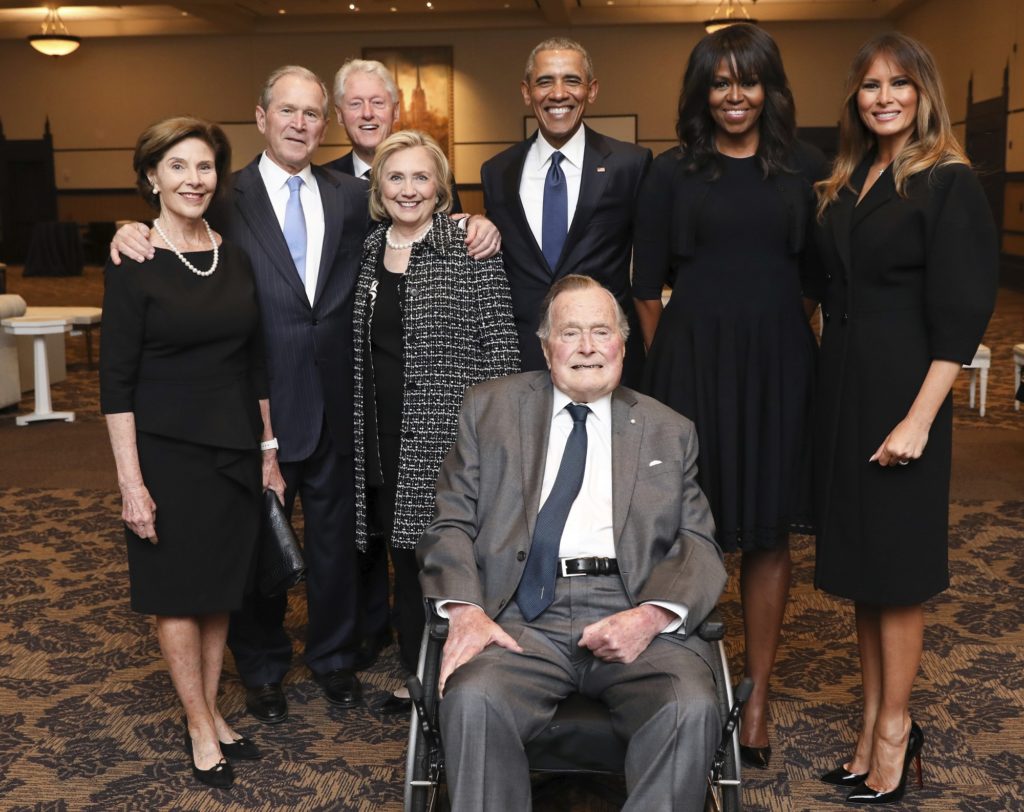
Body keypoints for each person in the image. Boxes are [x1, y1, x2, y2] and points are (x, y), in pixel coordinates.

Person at [110, 66, 374, 724]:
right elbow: (170, 222)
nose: (299, 124)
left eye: (312, 114)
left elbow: (409, 226)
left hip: (334, 398)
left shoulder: (348, 195)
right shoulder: (224, 193)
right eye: (286, 111)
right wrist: (126, 228)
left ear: (326, 122)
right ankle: (262, 671)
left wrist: (472, 227)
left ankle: (335, 659)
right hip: (249, 404)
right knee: (256, 549)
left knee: (334, 542)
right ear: (261, 118)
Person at [418, 275, 727, 812]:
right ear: (545, 346)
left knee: (690, 705)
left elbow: (698, 542)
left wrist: (652, 616)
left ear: (622, 345)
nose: (587, 347)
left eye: (601, 332)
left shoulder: (668, 429)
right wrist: (465, 610)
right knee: (473, 700)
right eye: (571, 333)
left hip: (630, 611)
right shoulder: (488, 409)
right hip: (518, 616)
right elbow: (449, 523)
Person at [631, 24, 826, 769]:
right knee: (688, 530)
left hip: (779, 365)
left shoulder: (806, 167)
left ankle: (759, 695)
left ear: (770, 88)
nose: (734, 96)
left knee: (770, 534)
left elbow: (815, 281)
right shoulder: (673, 171)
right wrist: (675, 365)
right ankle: (685, 687)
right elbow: (646, 287)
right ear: (701, 91)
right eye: (720, 82)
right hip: (689, 368)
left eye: (748, 81)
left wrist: (773, 339)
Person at [813, 32, 997, 804]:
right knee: (862, 573)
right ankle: (869, 727)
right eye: (869, 86)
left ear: (924, 93)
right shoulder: (850, 178)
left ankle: (896, 731)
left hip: (905, 394)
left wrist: (921, 418)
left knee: (898, 576)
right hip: (846, 392)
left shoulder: (949, 181)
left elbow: (961, 317)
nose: (883, 96)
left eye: (899, 84)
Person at [101, 116, 285, 788]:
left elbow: (255, 362)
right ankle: (200, 725)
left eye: (203, 167)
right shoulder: (133, 257)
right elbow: (115, 381)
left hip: (233, 447)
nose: (193, 179)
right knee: (178, 594)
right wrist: (131, 483)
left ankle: (210, 709)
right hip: (167, 453)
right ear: (152, 176)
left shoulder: (229, 254)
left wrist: (267, 449)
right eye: (177, 166)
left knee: (218, 592)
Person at [353, 130, 520, 712]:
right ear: (379, 187)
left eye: (421, 177)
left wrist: (498, 444)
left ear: (441, 186)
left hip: (450, 436)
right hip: (382, 432)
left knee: (449, 557)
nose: (408, 189)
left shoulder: (467, 243)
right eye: (395, 177)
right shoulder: (370, 248)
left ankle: (463, 673)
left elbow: (501, 350)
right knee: (401, 556)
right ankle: (417, 673)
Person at [480, 38, 651, 386]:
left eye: (572, 80)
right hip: (520, 357)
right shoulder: (497, 171)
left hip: (602, 356)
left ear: (592, 90)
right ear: (527, 92)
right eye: (545, 82)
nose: (558, 93)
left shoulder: (630, 164)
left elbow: (651, 263)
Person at [327, 58, 465, 213]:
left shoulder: (435, 173)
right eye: (355, 104)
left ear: (396, 111)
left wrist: (474, 222)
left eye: (377, 102)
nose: (367, 113)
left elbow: (455, 229)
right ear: (339, 115)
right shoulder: (325, 181)